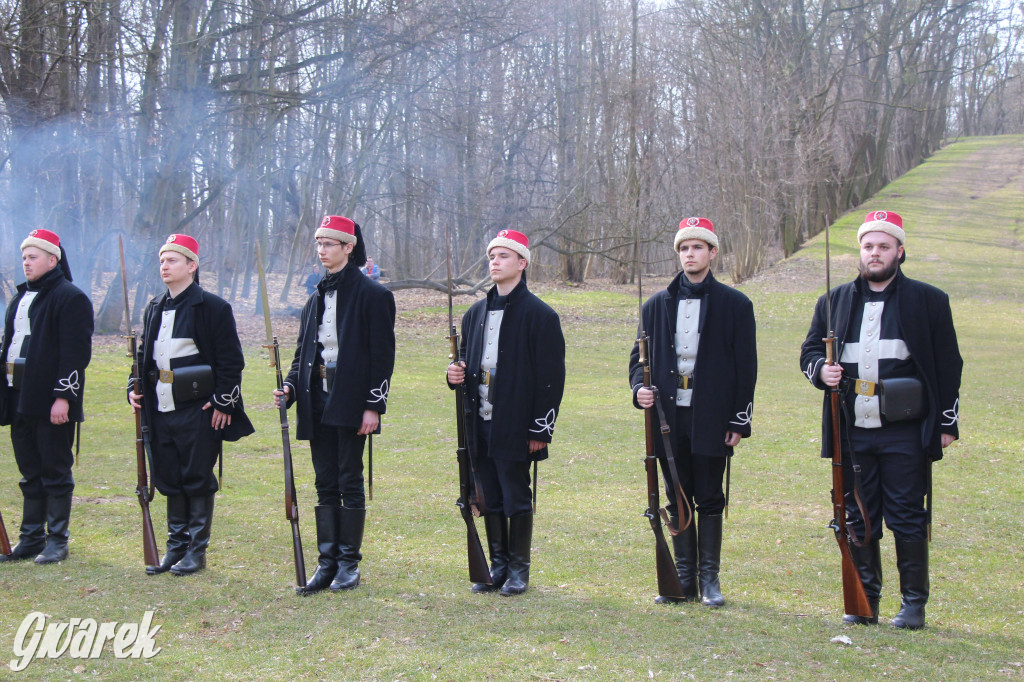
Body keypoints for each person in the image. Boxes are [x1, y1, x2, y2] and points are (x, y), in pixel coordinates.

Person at [800, 210, 962, 629]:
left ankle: (913, 605)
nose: (875, 253)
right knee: (859, 513)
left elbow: (948, 364)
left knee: (906, 513)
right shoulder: (833, 301)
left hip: (905, 428)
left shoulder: (929, 300)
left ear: (899, 251)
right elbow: (809, 352)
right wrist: (820, 370)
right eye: (868, 246)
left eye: (884, 246)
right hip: (851, 428)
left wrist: (946, 423)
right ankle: (865, 600)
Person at [628, 217, 757, 607]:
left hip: (713, 415)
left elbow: (746, 367)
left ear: (712, 252)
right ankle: (684, 578)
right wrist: (639, 389)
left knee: (709, 495)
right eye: (684, 248)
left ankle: (709, 580)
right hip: (667, 417)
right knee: (677, 493)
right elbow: (637, 360)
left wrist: (738, 419)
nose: (690, 254)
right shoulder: (655, 306)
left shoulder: (736, 305)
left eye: (698, 247)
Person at [274, 215, 396, 595]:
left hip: (352, 399)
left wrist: (373, 405)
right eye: (319, 244)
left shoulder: (374, 296)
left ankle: (348, 564)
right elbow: (302, 354)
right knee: (324, 480)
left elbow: (382, 357)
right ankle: (326, 564)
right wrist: (290, 388)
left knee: (349, 478)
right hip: (316, 399)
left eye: (329, 244)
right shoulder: (314, 299)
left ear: (348, 247)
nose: (322, 250)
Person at [446, 229, 565, 596]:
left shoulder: (541, 316)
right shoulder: (474, 313)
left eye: (503, 256)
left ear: (522, 263)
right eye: (492, 257)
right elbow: (466, 361)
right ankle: (496, 567)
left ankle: (518, 570)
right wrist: (454, 374)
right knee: (487, 493)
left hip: (516, 421)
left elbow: (551, 379)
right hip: (478, 420)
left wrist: (540, 429)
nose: (494, 263)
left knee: (515, 493)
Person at [128, 234, 254, 576]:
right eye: (162, 261)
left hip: (199, 408)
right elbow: (143, 355)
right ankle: (175, 547)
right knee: (169, 475)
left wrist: (223, 403)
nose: (164, 266)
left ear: (191, 266)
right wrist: (132, 386)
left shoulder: (213, 307)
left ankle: (196, 552)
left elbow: (231, 361)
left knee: (196, 475)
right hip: (160, 406)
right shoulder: (154, 307)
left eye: (172, 260)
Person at [0, 229, 93, 565]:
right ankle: (30, 538)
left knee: (54, 470)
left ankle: (57, 540)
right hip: (18, 394)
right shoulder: (20, 297)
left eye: (33, 257)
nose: (26, 263)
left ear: (52, 260)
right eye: (24, 257)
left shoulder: (70, 297)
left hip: (50, 397)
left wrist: (63, 397)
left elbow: (75, 354)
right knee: (30, 470)